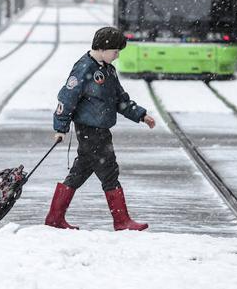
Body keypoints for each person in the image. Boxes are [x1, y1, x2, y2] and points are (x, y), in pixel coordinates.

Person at [45, 27, 156, 231]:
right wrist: (61, 126)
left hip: (101, 129)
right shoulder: (84, 68)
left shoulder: (108, 69)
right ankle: (122, 221)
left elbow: (120, 99)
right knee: (109, 171)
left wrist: (140, 115)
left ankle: (55, 217)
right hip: (89, 129)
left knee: (81, 171)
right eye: (115, 51)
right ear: (104, 48)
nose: (117, 55)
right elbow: (66, 98)